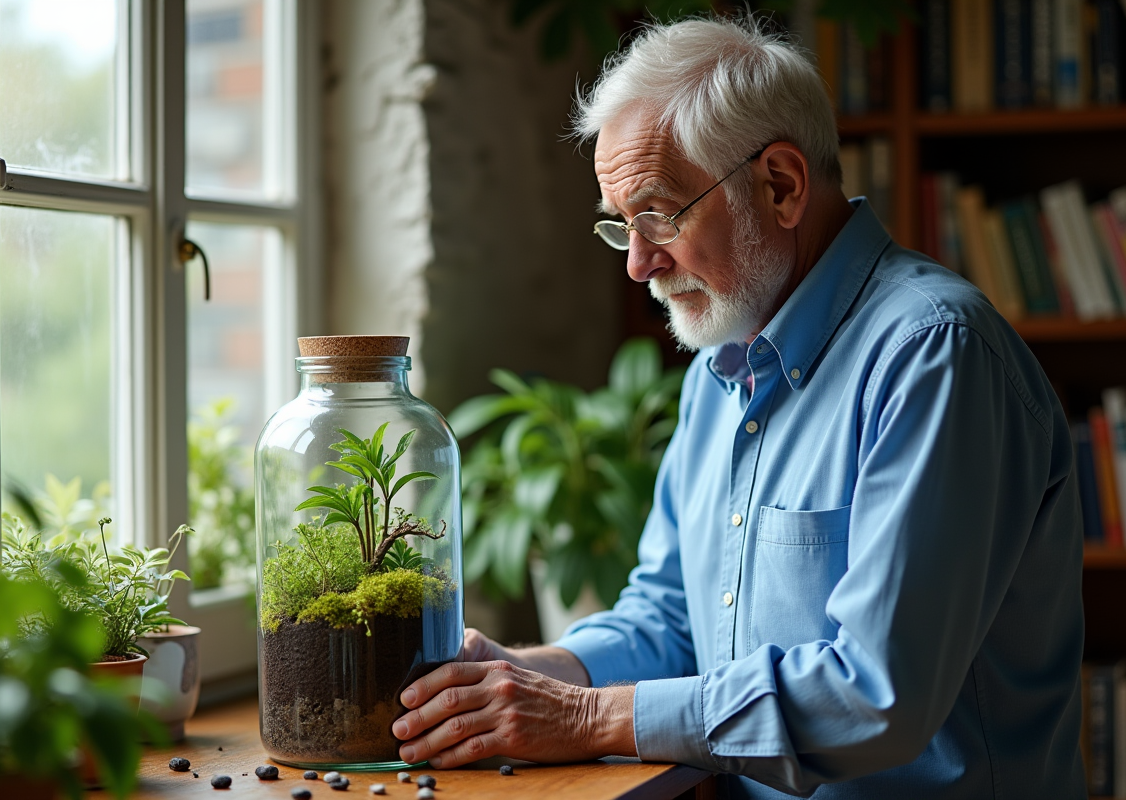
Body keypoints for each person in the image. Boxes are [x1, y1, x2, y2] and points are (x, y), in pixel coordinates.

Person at [392, 16, 1086, 799]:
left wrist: (583, 716)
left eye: (657, 214)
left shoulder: (935, 355)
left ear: (781, 185)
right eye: (619, 225)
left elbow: (873, 694)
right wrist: (525, 675)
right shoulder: (717, 367)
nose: (638, 263)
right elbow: (672, 621)